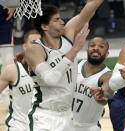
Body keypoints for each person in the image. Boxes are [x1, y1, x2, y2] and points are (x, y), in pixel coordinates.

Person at [24, 1, 104, 130]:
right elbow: (51, 79)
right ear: (44, 26)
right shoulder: (35, 49)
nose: (62, 21)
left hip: (67, 115)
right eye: (56, 20)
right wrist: (74, 50)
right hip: (44, 117)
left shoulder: (68, 34)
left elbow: (90, 9)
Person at [0, 29, 40, 131]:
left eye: (39, 42)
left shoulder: (49, 70)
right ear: (25, 46)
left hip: (41, 124)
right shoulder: (12, 70)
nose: (36, 45)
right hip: (18, 125)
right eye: (33, 42)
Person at [71, 36, 111, 131]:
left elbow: (105, 98)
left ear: (107, 54)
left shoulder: (107, 75)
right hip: (63, 124)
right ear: (87, 50)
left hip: (87, 128)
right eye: (92, 45)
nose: (96, 48)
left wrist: (101, 97)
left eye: (101, 47)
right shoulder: (75, 66)